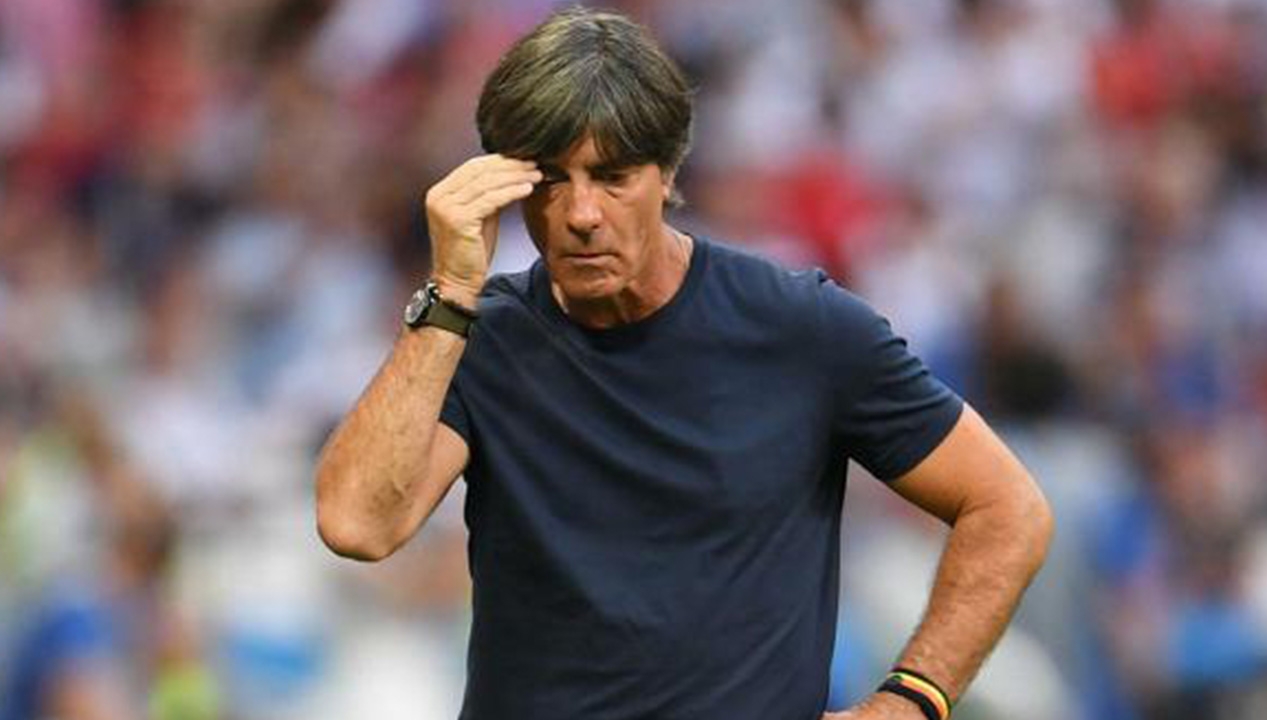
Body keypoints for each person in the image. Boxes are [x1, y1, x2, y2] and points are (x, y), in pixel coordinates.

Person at [314, 7, 1053, 720]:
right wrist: (448, 293)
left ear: (667, 174)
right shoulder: (479, 337)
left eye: (612, 177)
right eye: (550, 179)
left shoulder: (800, 329)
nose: (581, 214)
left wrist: (910, 700)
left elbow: (1007, 507)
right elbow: (356, 525)